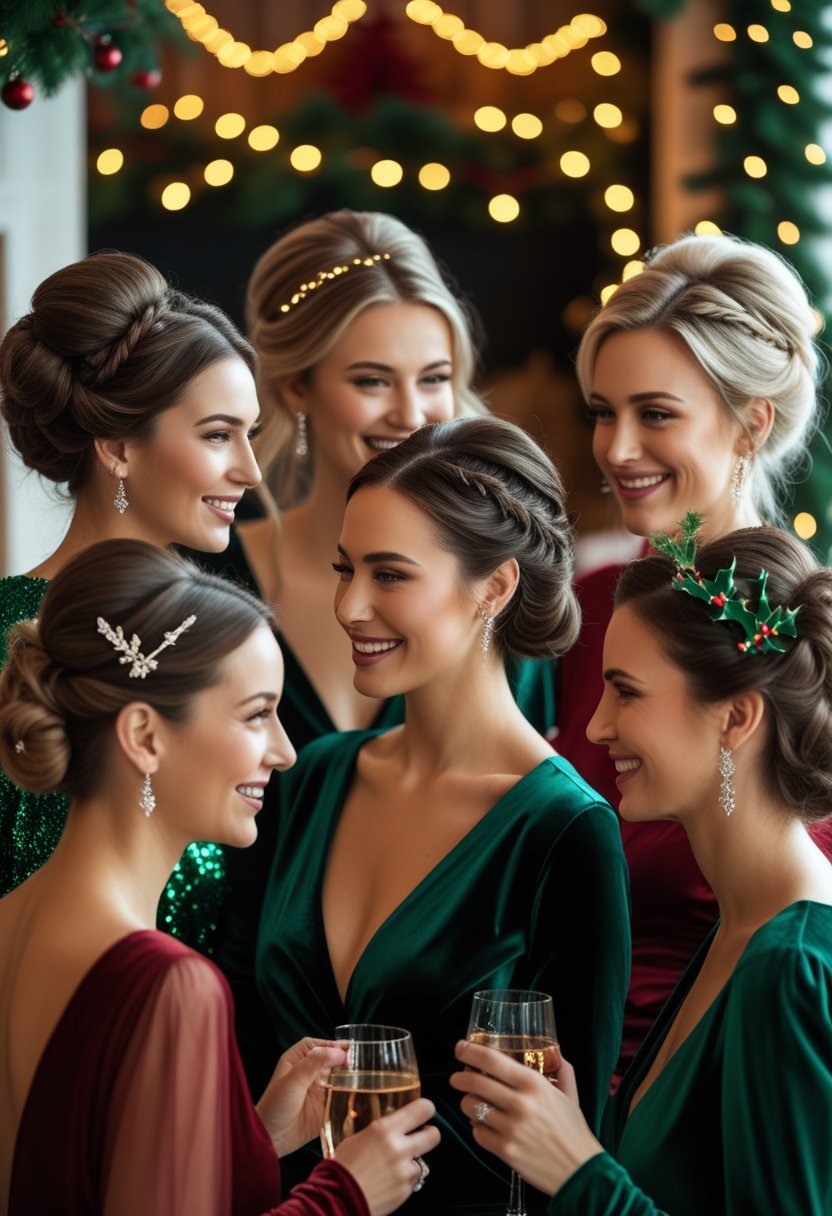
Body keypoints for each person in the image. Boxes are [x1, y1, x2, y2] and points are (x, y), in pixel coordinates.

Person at [204, 211, 555, 1094]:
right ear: (294, 388)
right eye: (372, 380)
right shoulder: (206, 590)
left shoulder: (496, 609)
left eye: (435, 378)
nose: (412, 413)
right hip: (233, 1041)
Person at [256, 417, 631, 1214]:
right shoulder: (313, 778)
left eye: (390, 575)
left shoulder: (565, 831)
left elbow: (573, 1151)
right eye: (345, 568)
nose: (350, 605)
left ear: (494, 587)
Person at [0, 538, 439, 1215]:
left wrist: (250, 1135)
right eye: (257, 714)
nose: (286, 751)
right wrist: (344, 1195)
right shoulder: (168, 986)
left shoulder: (10, 920)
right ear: (145, 737)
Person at [452, 522, 832, 1215]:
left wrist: (580, 1170)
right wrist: (576, 1132)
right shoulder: (737, 926)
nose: (595, 727)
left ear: (736, 718)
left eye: (626, 692)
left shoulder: (788, 965)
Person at [553, 232, 824, 1073]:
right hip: (561, 1090)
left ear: (750, 423)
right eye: (604, 413)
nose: (618, 449)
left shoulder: (803, 637)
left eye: (656, 414)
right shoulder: (584, 610)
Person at [0, 249, 262, 947]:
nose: (251, 470)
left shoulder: (221, 636)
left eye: (251, 434)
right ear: (117, 446)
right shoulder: (12, 635)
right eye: (217, 435)